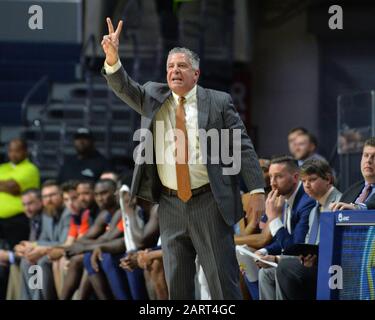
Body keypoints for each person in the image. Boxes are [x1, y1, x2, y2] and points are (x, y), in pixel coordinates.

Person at [101, 18, 265, 300]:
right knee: (177, 281)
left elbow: (242, 145)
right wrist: (113, 60)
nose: (175, 71)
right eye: (170, 67)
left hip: (209, 200)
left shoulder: (218, 101)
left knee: (221, 282)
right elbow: (124, 88)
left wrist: (257, 189)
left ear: (196, 73)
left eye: (182, 66)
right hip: (170, 202)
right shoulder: (153, 95)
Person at [259, 159, 342, 300]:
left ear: (328, 179)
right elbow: (304, 248)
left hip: (332, 270)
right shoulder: (314, 209)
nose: (307, 185)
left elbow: (335, 249)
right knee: (266, 273)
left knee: (284, 268)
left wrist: (279, 259)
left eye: (312, 180)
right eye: (304, 181)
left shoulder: (339, 204)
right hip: (311, 264)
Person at [0, 138, 40, 298]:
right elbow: (7, 186)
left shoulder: (30, 169)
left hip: (18, 221)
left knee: (23, 259)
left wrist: (8, 185)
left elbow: (13, 186)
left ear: (25, 151)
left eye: (17, 150)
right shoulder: (3, 167)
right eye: (10, 150)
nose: (13, 154)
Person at [20, 180, 70, 300]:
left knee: (42, 262)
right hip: (50, 251)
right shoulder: (47, 214)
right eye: (45, 196)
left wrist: (34, 245)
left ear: (61, 196)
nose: (49, 200)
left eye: (52, 195)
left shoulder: (68, 213)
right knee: (27, 260)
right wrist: (31, 248)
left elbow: (63, 243)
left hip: (64, 252)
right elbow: (43, 239)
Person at [0, 189, 43, 300]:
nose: (27, 209)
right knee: (16, 263)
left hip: (47, 255)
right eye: (24, 205)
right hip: (38, 253)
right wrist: (20, 249)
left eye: (30, 204)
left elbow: (41, 244)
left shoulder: (45, 217)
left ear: (41, 201)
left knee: (30, 261)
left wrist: (11, 256)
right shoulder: (33, 219)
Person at [331, 137, 375, 211]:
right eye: (366, 155)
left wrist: (358, 208)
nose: (368, 160)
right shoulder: (350, 191)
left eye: (374, 156)